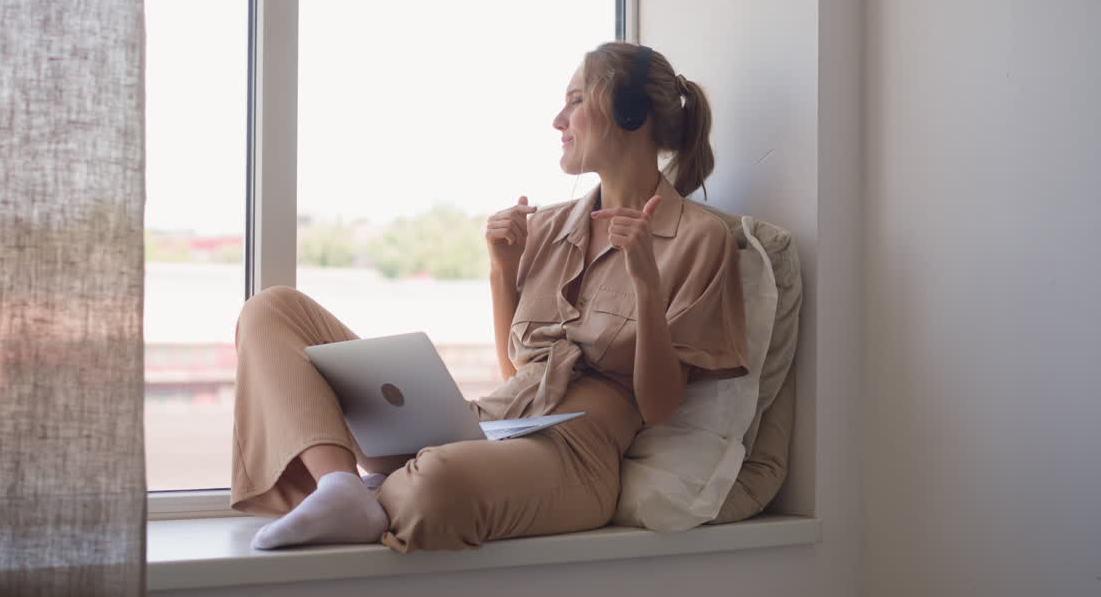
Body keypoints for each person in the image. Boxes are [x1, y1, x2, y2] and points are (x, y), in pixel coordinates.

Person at [231, 41, 749, 553]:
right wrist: (502, 270)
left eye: (574, 100)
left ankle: (380, 492)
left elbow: (659, 407)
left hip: (575, 456)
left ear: (628, 111)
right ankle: (341, 486)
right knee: (272, 310)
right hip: (489, 425)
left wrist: (646, 285)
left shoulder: (699, 238)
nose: (558, 120)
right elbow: (516, 370)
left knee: (436, 483)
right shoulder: (548, 227)